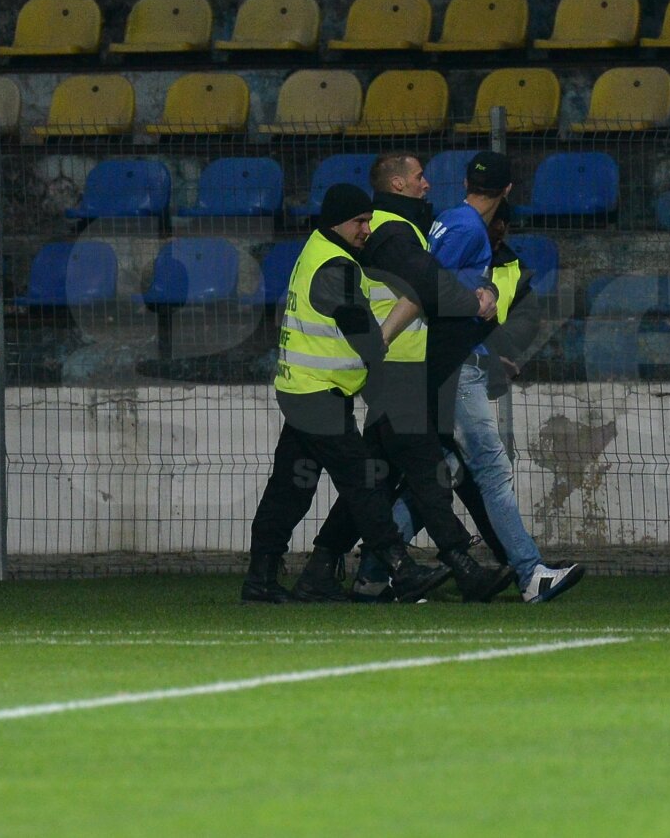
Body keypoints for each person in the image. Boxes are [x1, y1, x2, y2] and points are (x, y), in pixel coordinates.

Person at [303, 153, 515, 603]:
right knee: (426, 473)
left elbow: (419, 284)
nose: (427, 185)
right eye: (419, 177)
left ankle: (324, 564)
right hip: (396, 369)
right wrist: (473, 300)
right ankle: (455, 567)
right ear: (398, 183)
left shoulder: (394, 226)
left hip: (398, 367)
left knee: (376, 479)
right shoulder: (392, 229)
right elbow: (425, 280)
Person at [242, 183, 450, 605]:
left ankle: (260, 578)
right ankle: (401, 569)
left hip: (302, 388)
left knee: (290, 488)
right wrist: (403, 314)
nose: (367, 228)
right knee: (364, 481)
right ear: (339, 221)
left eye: (370, 219)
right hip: (319, 395)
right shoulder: (337, 267)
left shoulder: (317, 251)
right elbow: (367, 340)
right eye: (360, 221)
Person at [400, 157, 584, 604]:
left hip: (451, 359)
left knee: (448, 470)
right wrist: (476, 300)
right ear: (508, 190)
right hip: (455, 364)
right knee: (492, 469)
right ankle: (529, 573)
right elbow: (427, 287)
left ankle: (381, 565)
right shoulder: (467, 229)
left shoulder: (450, 220)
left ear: (466, 183)